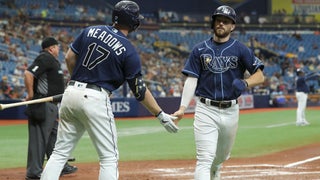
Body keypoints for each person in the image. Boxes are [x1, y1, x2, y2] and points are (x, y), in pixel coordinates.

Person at [40, 1, 178, 180]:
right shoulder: (128, 50)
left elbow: (69, 57)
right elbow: (139, 90)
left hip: (71, 92)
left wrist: (79, 82)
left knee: (59, 154)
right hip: (95, 97)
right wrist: (160, 114)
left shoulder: (90, 30)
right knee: (108, 157)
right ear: (133, 22)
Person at [173, 5, 265, 180]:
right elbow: (191, 79)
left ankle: (216, 167)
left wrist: (245, 83)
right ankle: (211, 168)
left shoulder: (240, 49)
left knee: (222, 156)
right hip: (205, 109)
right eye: (218, 20)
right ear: (213, 23)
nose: (221, 23)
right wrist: (183, 108)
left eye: (226, 21)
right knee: (204, 159)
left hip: (231, 110)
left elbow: (260, 76)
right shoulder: (200, 49)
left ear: (233, 26)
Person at [24, 37, 78, 180]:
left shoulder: (51, 60)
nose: (58, 49)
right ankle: (33, 172)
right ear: (50, 48)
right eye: (56, 46)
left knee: (54, 138)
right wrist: (30, 94)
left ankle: (60, 166)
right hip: (42, 104)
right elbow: (29, 73)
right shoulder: (45, 58)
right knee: (39, 139)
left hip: (51, 106)